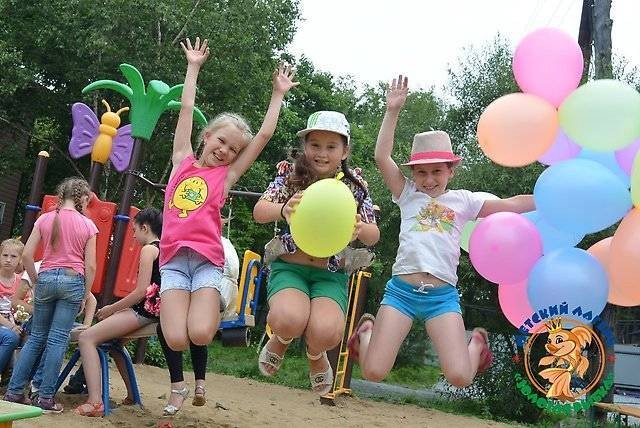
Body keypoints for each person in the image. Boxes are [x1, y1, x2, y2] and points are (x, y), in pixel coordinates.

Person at [348, 76, 534, 388]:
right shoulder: (407, 194)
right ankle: (366, 333)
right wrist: (392, 111)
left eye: (437, 171)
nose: (429, 179)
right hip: (402, 293)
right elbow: (381, 157)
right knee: (373, 372)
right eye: (421, 172)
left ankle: (476, 344)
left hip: (442, 297)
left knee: (460, 377)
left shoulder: (464, 201)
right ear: (413, 174)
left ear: (451, 171)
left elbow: (510, 204)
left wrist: (548, 198)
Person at [159, 37, 298, 353]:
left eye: (233, 149)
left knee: (201, 335)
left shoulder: (225, 177)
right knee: (177, 341)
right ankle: (199, 303)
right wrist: (193, 67)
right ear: (207, 136)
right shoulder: (181, 160)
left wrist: (278, 94)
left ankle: (217, 298)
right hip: (173, 260)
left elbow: (263, 136)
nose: (225, 151)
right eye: (221, 141)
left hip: (207, 262)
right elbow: (186, 108)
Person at [253, 110, 380, 395]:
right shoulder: (290, 176)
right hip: (290, 267)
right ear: (305, 146)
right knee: (288, 319)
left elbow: (374, 235)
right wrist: (283, 210)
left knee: (326, 332)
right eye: (315, 145)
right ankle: (281, 339)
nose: (322, 153)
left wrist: (360, 228)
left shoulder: (354, 186)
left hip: (330, 274)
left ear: (344, 151)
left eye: (331, 146)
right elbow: (259, 211)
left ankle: (315, 354)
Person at [4, 177, 97, 413]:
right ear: (82, 198)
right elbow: (91, 266)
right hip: (72, 280)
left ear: (61, 195)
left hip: (45, 278)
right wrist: (85, 294)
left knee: (36, 337)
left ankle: (14, 391)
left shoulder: (45, 218)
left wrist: (36, 282)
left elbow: (27, 255)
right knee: (57, 339)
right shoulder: (88, 225)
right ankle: (45, 398)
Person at [75, 208, 162, 417]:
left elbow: (141, 292)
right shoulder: (163, 249)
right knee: (115, 344)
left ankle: (95, 402)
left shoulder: (149, 250)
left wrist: (111, 309)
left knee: (86, 338)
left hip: (145, 311)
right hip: (154, 309)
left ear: (145, 228)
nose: (133, 235)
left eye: (134, 230)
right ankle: (132, 396)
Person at [156, 235, 239, 416]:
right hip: (216, 290)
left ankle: (178, 386)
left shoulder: (159, 247)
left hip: (210, 284)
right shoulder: (225, 244)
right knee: (195, 331)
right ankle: (200, 385)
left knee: (185, 329)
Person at [0, 239, 25, 381]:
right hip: (6, 325)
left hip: (15, 323)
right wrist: (11, 326)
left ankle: (18, 380)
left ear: (20, 259)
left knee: (33, 338)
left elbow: (25, 304)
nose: (8, 260)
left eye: (13, 256)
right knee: (11, 337)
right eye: (5, 255)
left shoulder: (21, 281)